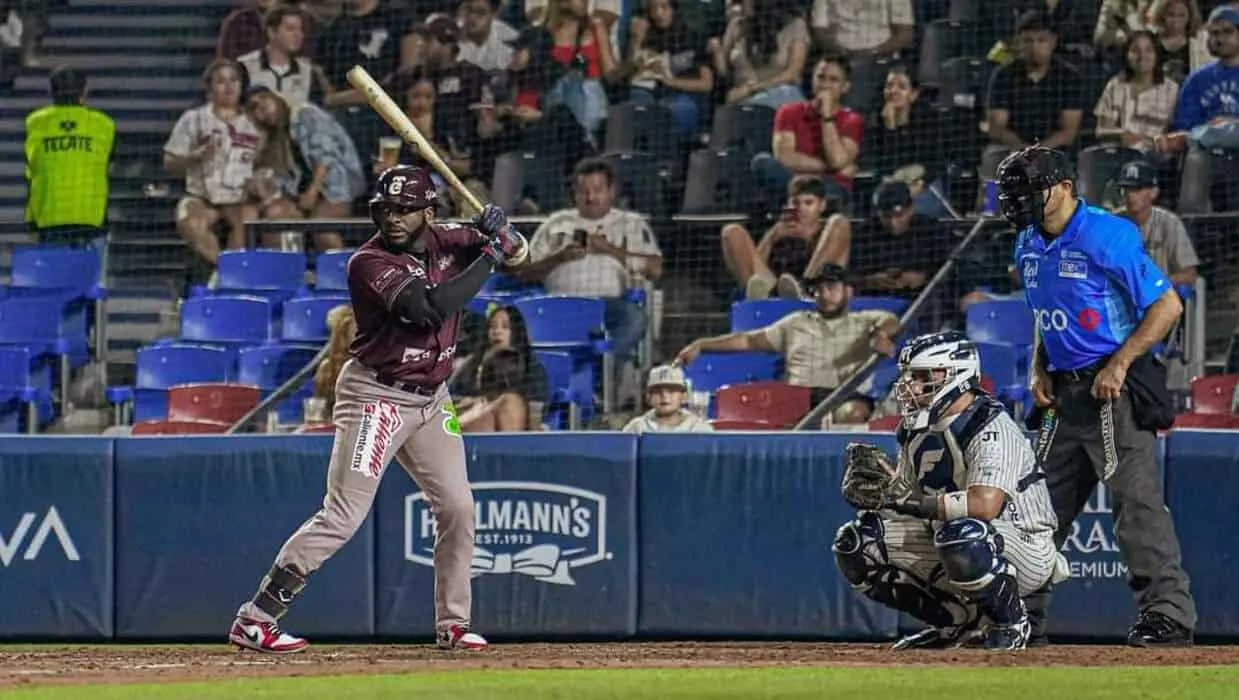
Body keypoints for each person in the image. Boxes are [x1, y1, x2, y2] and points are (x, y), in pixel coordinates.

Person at [227, 165, 526, 654]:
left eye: (405, 209)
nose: (393, 218)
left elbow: (520, 254)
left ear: (428, 213)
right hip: (377, 397)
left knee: (459, 506)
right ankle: (256, 617)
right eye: (386, 209)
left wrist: (503, 231)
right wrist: (490, 254)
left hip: (432, 400)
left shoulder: (450, 237)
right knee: (343, 514)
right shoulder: (368, 262)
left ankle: (453, 622)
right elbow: (428, 309)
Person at [998, 145, 1196, 647]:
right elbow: (1046, 313)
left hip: (1113, 391)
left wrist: (1120, 363)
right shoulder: (1027, 242)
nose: (1022, 201)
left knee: (1136, 505)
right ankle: (1023, 614)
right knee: (1035, 506)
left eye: (1032, 191)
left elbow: (1167, 305)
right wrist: (1040, 368)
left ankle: (1168, 615)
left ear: (1064, 187)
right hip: (1062, 397)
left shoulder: (1107, 234)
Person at [833, 331, 1068, 651]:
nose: (912, 387)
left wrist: (904, 499)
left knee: (962, 533)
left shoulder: (990, 423)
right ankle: (955, 623)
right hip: (954, 536)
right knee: (857, 542)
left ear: (954, 375)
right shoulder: (915, 429)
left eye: (922, 377)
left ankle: (1011, 622)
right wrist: (881, 495)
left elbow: (984, 505)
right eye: (909, 378)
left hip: (1025, 542)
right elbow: (909, 501)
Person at [674, 265, 900, 425]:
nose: (824, 294)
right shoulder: (796, 322)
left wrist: (878, 335)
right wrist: (701, 344)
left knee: (852, 414)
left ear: (847, 291)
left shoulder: (864, 320)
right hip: (797, 395)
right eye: (819, 289)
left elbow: (891, 321)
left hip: (845, 397)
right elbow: (748, 340)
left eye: (831, 287)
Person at [23, 66, 115, 247]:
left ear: (50, 91)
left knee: (54, 274)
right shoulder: (104, 123)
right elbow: (108, 162)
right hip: (92, 216)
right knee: (90, 274)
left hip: (48, 217)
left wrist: (31, 222)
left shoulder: (35, 122)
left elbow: (31, 168)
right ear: (84, 91)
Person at [720, 175, 850, 299]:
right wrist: (771, 238)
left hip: (815, 292)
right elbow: (753, 265)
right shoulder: (779, 231)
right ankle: (756, 301)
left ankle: (805, 288)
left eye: (808, 203)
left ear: (822, 205)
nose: (801, 209)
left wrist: (807, 237)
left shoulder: (831, 230)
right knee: (731, 231)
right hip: (773, 290)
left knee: (839, 221)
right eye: (795, 203)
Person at [622, 364, 714, 433]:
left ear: (684, 396)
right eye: (657, 391)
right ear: (648, 397)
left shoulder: (699, 428)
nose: (664, 396)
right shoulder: (636, 428)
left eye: (671, 391)